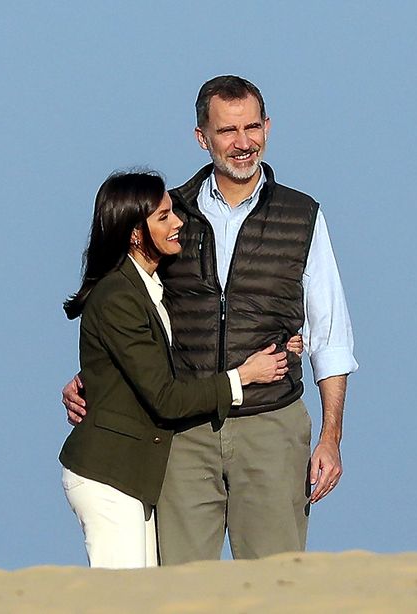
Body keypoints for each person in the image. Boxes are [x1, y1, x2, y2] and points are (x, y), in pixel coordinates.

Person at [63, 75, 358, 564]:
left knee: (273, 586)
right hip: (182, 434)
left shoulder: (302, 215)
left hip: (272, 427)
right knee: (181, 587)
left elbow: (331, 335)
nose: (243, 143)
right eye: (227, 131)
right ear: (202, 137)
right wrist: (90, 377)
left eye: (252, 127)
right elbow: (130, 307)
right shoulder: (169, 215)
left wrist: (331, 438)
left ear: (268, 127)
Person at [58, 170, 291, 569]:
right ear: (134, 232)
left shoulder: (150, 285)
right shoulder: (118, 296)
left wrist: (288, 337)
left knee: (146, 598)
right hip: (110, 475)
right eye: (164, 216)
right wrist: (244, 377)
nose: (178, 222)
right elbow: (165, 397)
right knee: (123, 601)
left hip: (134, 477)